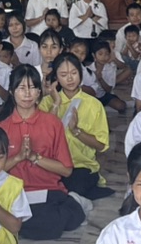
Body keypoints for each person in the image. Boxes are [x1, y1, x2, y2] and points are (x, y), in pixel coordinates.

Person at [0, 66, 84, 239]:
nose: (27, 94)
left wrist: (34, 157)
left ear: (39, 92)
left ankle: (72, 204)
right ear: (11, 91)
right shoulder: (1, 128)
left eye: (32, 88)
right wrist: (18, 158)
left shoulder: (52, 123)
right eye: (22, 88)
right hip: (15, 194)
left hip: (47, 191)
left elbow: (66, 170)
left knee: (46, 222)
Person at [44, 53, 112, 198]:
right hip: (52, 164)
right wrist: (56, 104)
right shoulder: (47, 102)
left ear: (80, 74)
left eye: (74, 73)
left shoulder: (93, 104)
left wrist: (76, 131)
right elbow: (43, 136)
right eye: (63, 74)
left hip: (81, 166)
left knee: (72, 188)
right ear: (56, 77)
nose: (69, 79)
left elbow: (101, 145)